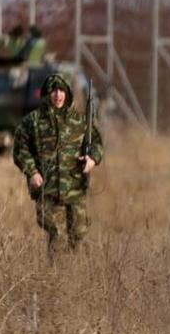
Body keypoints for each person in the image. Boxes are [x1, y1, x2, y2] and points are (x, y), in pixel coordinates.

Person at [12, 73, 103, 255]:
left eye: (61, 90)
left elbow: (97, 144)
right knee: (58, 234)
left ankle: (72, 275)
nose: (57, 95)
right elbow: (20, 149)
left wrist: (92, 159)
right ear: (46, 93)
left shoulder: (79, 120)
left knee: (78, 232)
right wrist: (32, 172)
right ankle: (56, 278)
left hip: (75, 188)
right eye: (53, 90)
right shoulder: (34, 121)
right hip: (48, 189)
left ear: (67, 93)